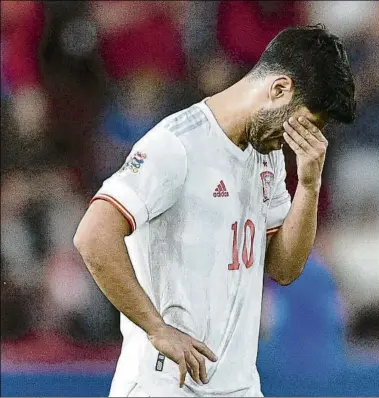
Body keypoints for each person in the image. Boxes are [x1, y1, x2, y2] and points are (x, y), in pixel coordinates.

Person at [74, 24, 355, 397]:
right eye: (303, 121)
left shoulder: (267, 156)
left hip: (237, 386)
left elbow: (284, 269)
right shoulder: (176, 145)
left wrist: (308, 186)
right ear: (279, 89)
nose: (294, 139)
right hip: (163, 386)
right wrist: (156, 328)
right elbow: (92, 236)